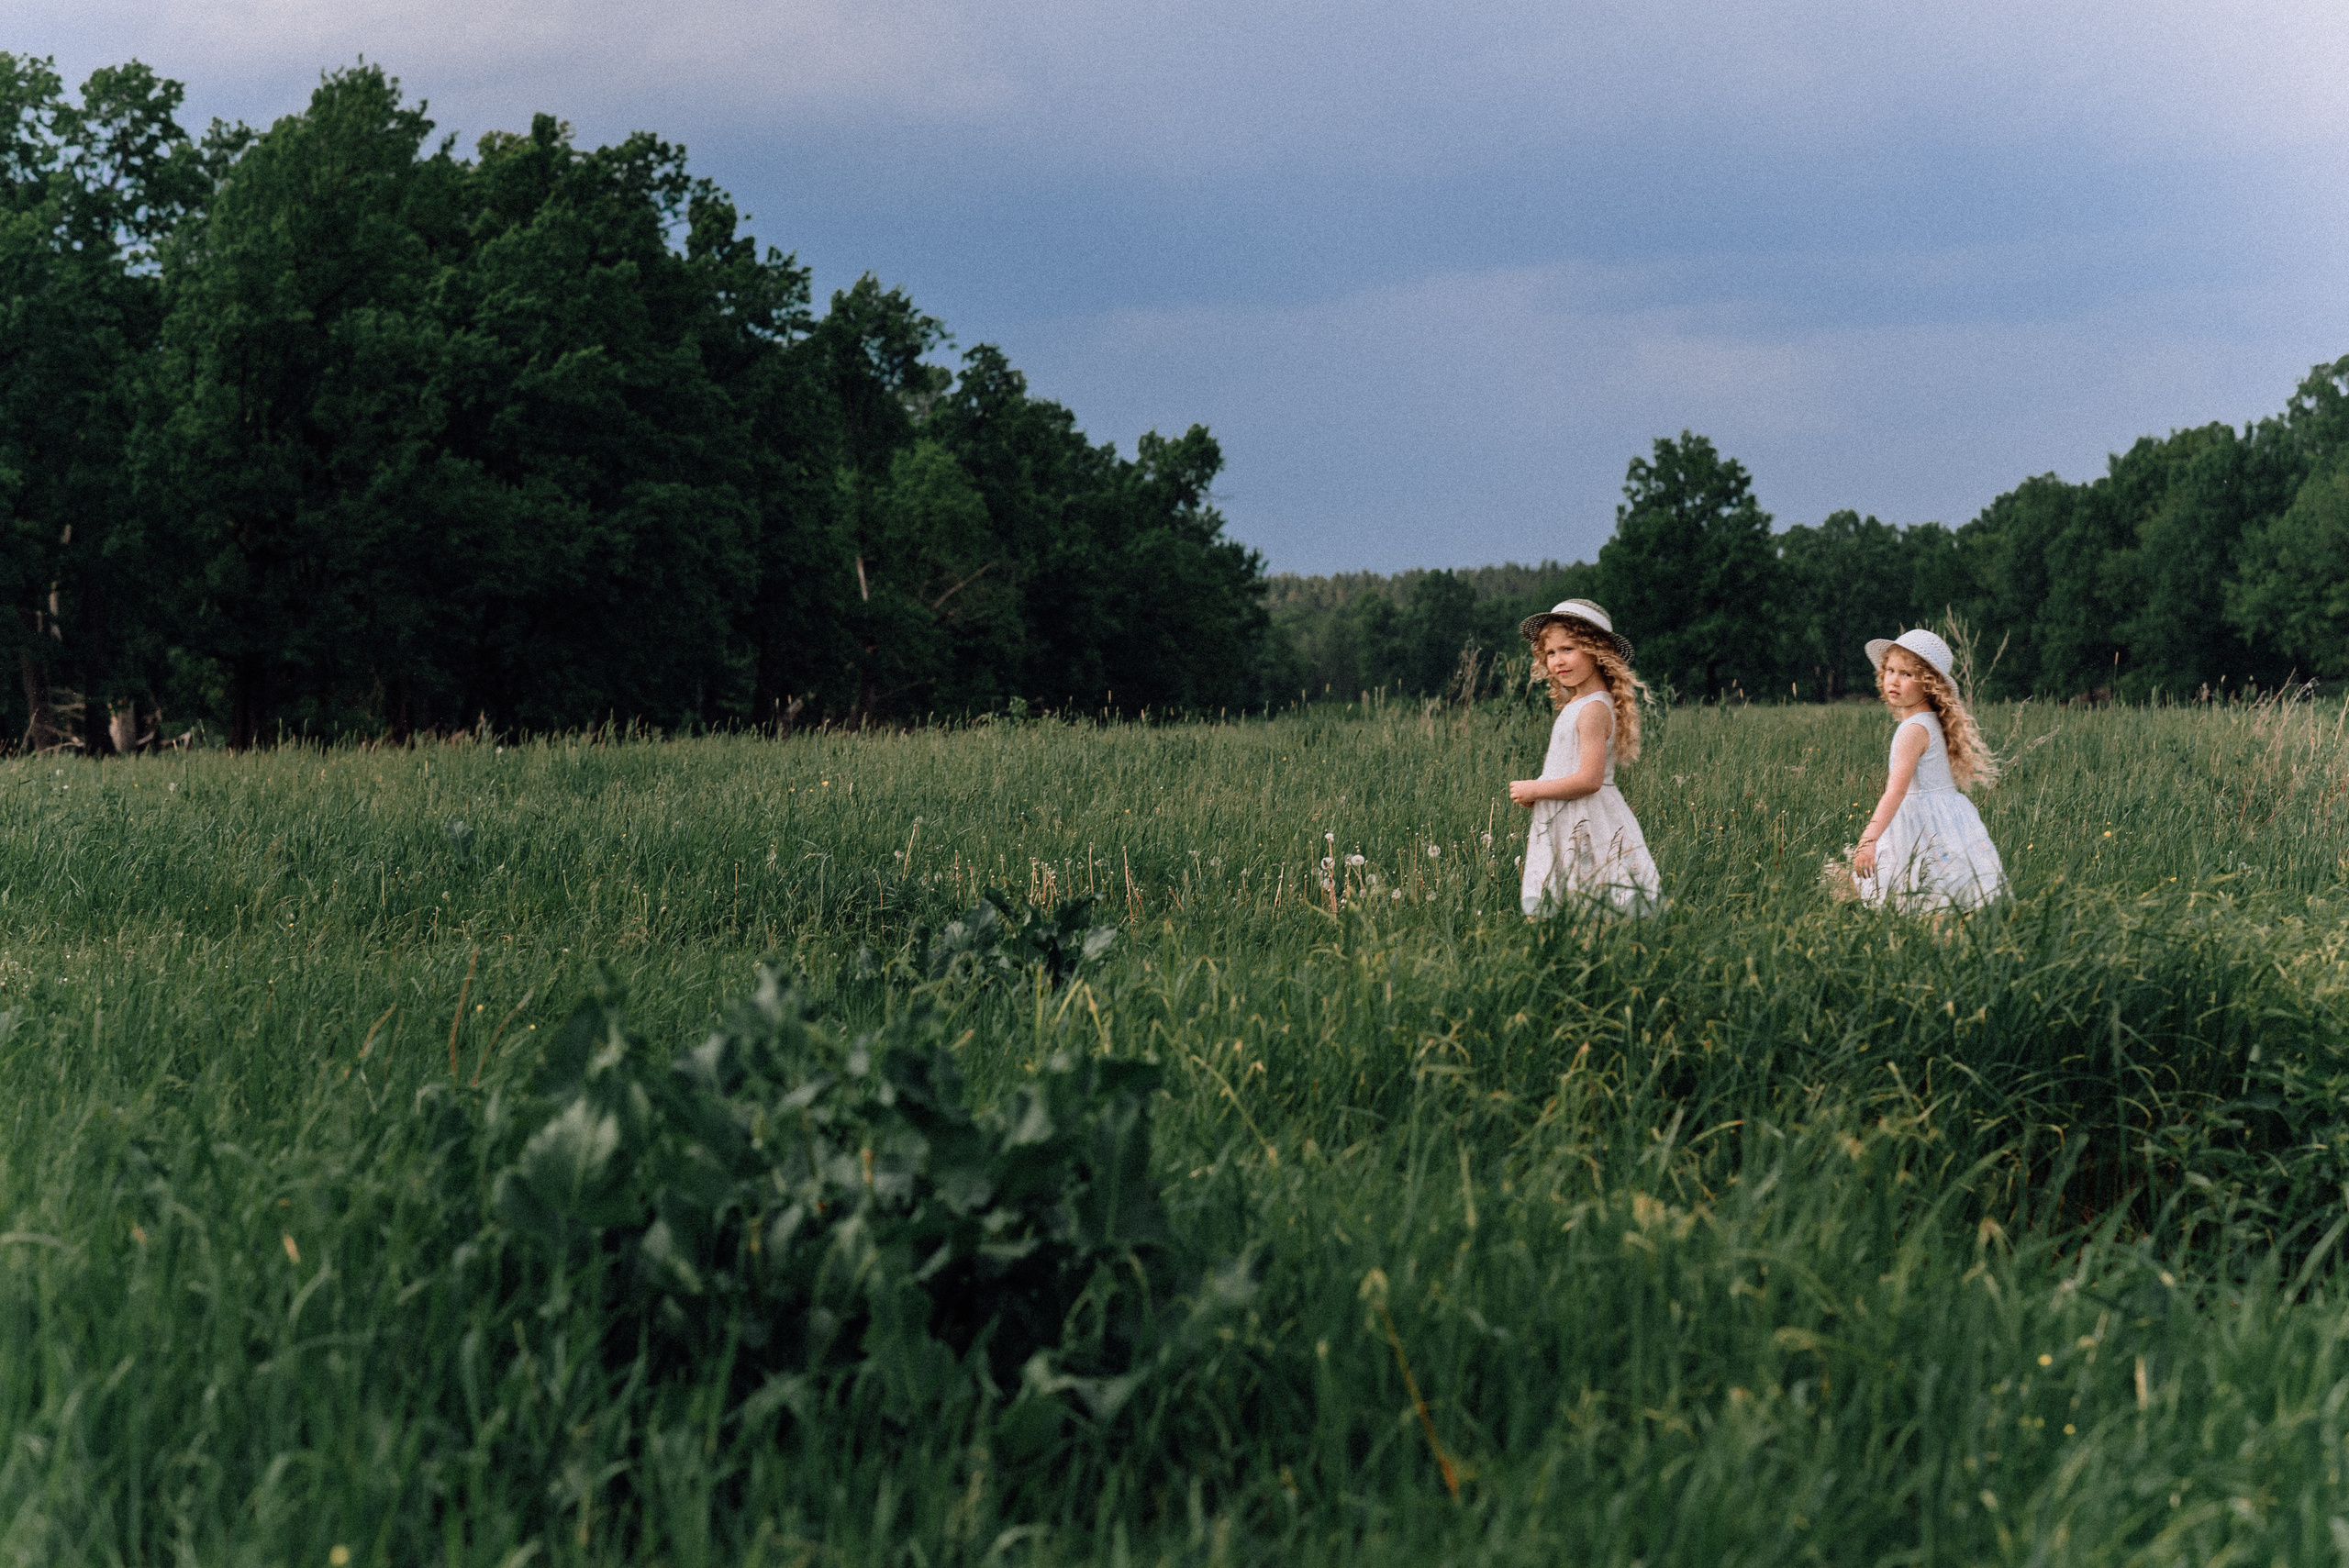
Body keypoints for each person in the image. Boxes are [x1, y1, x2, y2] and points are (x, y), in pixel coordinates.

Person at [1508, 599, 1663, 917]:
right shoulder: (1579, 704)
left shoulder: (1593, 709)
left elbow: (1590, 780)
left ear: (1597, 651)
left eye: (1568, 649)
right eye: (1550, 653)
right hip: (1567, 811)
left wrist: (1536, 790)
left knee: (1596, 891)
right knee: (1576, 890)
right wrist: (1541, 788)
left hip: (1587, 816)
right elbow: (1565, 767)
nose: (1557, 662)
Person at [1852, 628, 2007, 913]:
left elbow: (1896, 790)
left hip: (1919, 823)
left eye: (1907, 674)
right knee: (1945, 897)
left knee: (1917, 898)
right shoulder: (1932, 721)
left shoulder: (1912, 730)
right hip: (1946, 818)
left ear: (1929, 684)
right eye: (1890, 670)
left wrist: (1868, 841)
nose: (1893, 681)